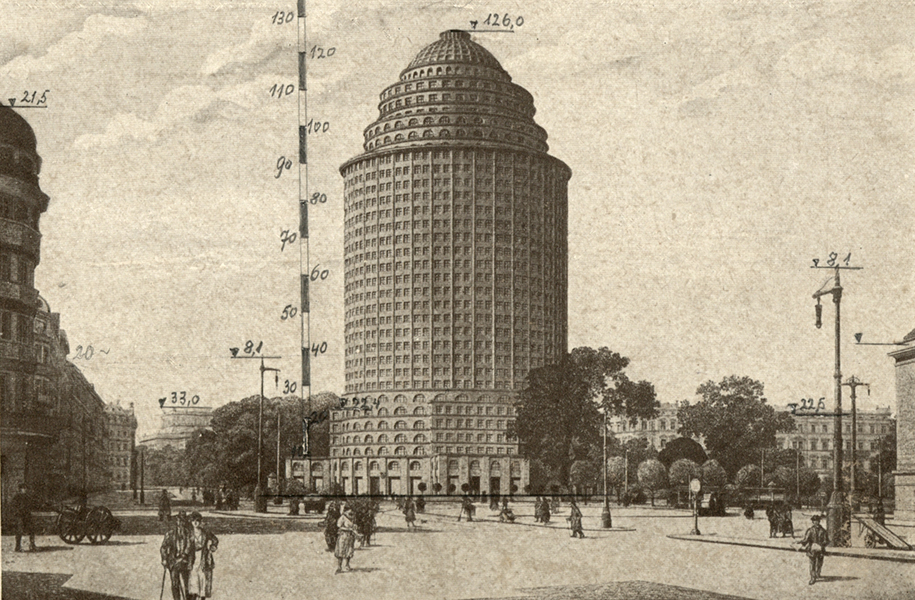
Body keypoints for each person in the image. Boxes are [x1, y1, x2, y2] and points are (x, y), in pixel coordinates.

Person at [186, 512, 218, 600]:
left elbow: (215, 539)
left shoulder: (205, 532)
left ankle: (202, 597)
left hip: (203, 556)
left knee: (203, 579)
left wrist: (213, 546)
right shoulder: (189, 533)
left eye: (197, 521)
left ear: (200, 522)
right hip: (192, 558)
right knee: (193, 579)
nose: (195, 523)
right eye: (193, 521)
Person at [161, 512, 192, 600]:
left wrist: (183, 556)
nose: (181, 523)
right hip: (173, 562)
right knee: (175, 584)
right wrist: (164, 559)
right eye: (179, 521)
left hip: (185, 562)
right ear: (177, 522)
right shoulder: (170, 534)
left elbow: (189, 547)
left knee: (188, 584)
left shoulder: (189, 534)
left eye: (183, 521)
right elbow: (163, 547)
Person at [797, 514, 829, 585]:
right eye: (814, 521)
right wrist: (800, 543)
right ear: (812, 522)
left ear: (819, 521)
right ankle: (813, 577)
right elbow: (806, 540)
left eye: (817, 521)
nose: (816, 522)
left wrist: (822, 545)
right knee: (812, 563)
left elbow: (826, 540)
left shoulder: (823, 531)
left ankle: (818, 573)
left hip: (820, 549)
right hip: (812, 549)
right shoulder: (810, 530)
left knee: (820, 563)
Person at [12, 484, 37, 552]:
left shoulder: (27, 497)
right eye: (23, 488)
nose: (25, 490)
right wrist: (17, 513)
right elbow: (13, 506)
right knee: (19, 531)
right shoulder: (16, 497)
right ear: (20, 489)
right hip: (19, 516)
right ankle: (17, 546)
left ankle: (32, 545)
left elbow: (31, 505)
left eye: (25, 488)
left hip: (27, 515)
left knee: (32, 529)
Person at [335, 505, 357, 573]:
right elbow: (339, 526)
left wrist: (355, 528)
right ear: (346, 511)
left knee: (349, 551)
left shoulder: (352, 517)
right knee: (341, 551)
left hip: (350, 536)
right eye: (349, 510)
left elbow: (354, 525)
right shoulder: (343, 517)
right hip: (343, 536)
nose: (351, 512)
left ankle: (347, 565)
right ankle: (339, 566)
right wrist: (348, 529)